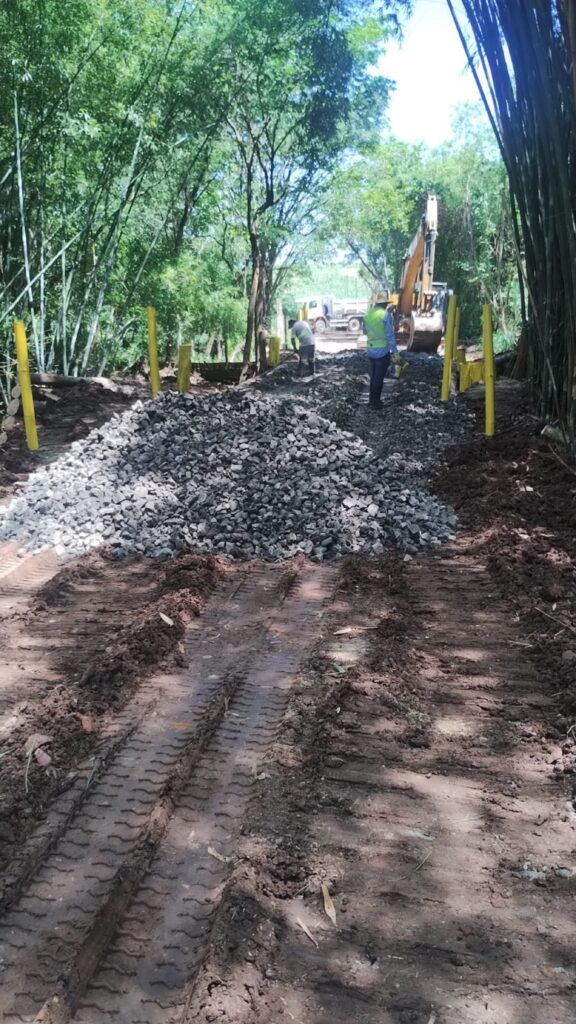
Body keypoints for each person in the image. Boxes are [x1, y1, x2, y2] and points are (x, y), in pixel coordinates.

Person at [363, 300, 397, 410]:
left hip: (371, 349)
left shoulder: (367, 314)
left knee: (373, 376)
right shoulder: (385, 315)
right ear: (385, 304)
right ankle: (376, 402)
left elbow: (364, 331)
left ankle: (371, 399)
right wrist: (395, 351)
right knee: (379, 377)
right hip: (382, 351)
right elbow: (389, 335)